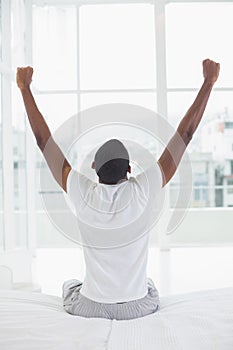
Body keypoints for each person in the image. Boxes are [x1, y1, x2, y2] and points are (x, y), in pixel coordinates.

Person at [16, 58, 220, 320]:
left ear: (93, 168)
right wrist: (208, 82)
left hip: (92, 307)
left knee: (70, 286)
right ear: (129, 171)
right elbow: (186, 135)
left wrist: (24, 88)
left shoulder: (81, 191)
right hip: (138, 307)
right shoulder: (143, 189)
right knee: (149, 286)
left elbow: (44, 141)